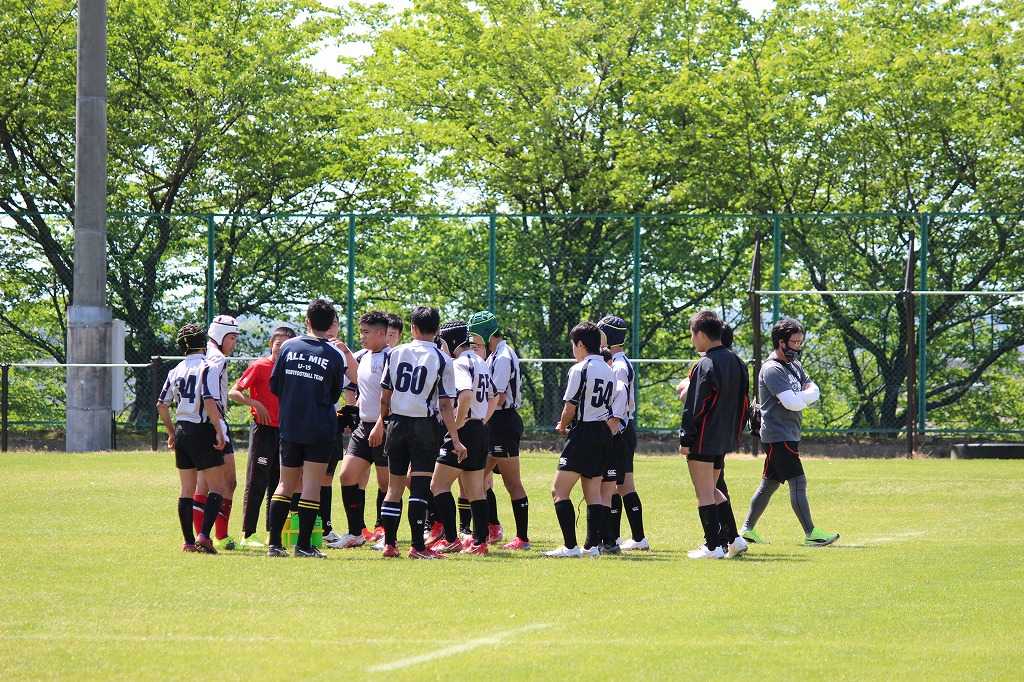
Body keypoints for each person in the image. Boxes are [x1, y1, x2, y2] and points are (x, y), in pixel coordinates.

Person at [371, 306, 466, 559]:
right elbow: (445, 405)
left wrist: (383, 421)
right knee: (420, 488)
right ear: (437, 330)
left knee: (394, 488)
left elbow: (385, 396)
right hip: (423, 427)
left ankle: (390, 545)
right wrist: (456, 439)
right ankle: (417, 547)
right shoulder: (442, 359)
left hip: (396, 424)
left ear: (412, 328)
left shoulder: (396, 353)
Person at [740, 318, 839, 547]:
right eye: (794, 342)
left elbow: (814, 390)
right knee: (798, 481)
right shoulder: (772, 369)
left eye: (800, 342)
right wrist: (804, 397)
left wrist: (801, 397)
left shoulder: (795, 365)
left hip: (788, 434)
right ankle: (811, 533)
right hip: (778, 436)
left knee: (769, 484)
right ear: (781, 342)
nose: (797, 346)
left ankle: (746, 530)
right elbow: (791, 403)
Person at [265, 299, 348, 559]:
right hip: (320, 427)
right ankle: (303, 546)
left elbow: (275, 385)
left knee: (285, 483)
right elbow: (334, 394)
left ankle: (275, 544)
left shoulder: (288, 347)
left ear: (307, 321)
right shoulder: (334, 355)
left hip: (290, 425)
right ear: (331, 323)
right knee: (311, 485)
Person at [544, 322, 620, 558]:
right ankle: (592, 547)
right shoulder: (609, 369)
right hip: (603, 433)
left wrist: (562, 425)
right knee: (593, 492)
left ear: (580, 344)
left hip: (584, 433)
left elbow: (570, 407)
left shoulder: (580, 369)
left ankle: (570, 547)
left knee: (558, 490)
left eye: (573, 345)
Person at [679, 311, 750, 559]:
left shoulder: (705, 364)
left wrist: (685, 437)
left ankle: (712, 547)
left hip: (703, 438)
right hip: (724, 438)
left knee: (704, 492)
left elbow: (695, 405)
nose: (692, 340)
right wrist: (735, 433)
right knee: (712, 489)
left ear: (700, 334)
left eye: (692, 334)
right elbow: (744, 404)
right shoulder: (738, 362)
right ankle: (734, 539)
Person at [156, 323, 227, 554]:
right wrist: (219, 429)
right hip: (202, 430)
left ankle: (188, 542)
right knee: (218, 487)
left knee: (187, 489)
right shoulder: (208, 367)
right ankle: (204, 536)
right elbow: (208, 399)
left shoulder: (175, 370)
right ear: (202, 343)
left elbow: (161, 404)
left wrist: (171, 432)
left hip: (182, 431)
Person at [426, 321, 494, 555]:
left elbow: (465, 395)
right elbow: (493, 396)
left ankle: (451, 539)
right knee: (476, 490)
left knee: (438, 485)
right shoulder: (480, 361)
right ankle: (480, 542)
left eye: (442, 342)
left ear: (451, 341)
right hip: (480, 429)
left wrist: (458, 422)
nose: (441, 347)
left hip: (465, 430)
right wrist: (479, 419)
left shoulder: (459, 363)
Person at [228, 325, 297, 549]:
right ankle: (248, 534)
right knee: (257, 481)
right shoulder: (259, 366)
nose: (280, 349)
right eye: (278, 344)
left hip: (286, 432)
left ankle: (271, 533)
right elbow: (234, 392)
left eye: (285, 345)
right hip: (263, 431)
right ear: (271, 345)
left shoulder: (292, 370)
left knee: (279, 483)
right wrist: (255, 403)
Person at [468, 311, 531, 550]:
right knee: (478, 478)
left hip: (503, 422)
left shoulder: (503, 356)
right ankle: (487, 530)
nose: (473, 342)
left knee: (512, 483)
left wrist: (480, 421)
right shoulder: (494, 354)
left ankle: (522, 538)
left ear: (486, 334)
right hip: (494, 421)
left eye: (475, 336)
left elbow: (499, 395)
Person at [329, 311, 391, 548]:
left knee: (387, 484)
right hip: (363, 427)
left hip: (384, 426)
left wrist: (381, 424)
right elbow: (358, 380)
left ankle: (388, 534)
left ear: (381, 333)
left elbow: (392, 396)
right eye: (361, 332)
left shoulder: (392, 357)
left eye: (366, 332)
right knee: (347, 476)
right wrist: (346, 353)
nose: (362, 337)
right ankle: (355, 533)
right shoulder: (364, 356)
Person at [598, 315, 649, 551]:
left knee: (619, 484)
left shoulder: (618, 366)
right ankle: (625, 537)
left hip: (620, 431)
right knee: (621, 485)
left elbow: (618, 405)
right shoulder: (619, 362)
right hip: (623, 431)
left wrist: (609, 431)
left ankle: (635, 538)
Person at [191, 314, 240, 551]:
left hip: (199, 423)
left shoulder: (203, 354)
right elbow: (209, 395)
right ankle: (215, 535)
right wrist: (218, 426)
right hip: (213, 423)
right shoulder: (217, 358)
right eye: (232, 338)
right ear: (220, 336)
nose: (234, 343)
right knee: (226, 483)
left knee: (204, 484)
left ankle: (204, 536)